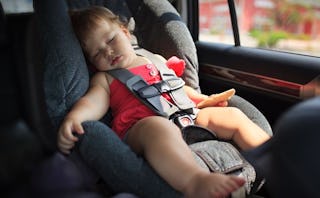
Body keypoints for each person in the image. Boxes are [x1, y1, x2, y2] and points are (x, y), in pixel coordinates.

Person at [58, 6, 270, 198]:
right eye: (97, 53)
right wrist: (75, 117)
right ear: (92, 63)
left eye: (110, 40)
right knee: (158, 127)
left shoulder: (156, 60)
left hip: (186, 116)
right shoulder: (106, 78)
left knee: (231, 115)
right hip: (141, 128)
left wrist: (204, 100)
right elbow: (92, 102)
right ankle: (194, 181)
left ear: (125, 33)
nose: (108, 51)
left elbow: (178, 88)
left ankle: (274, 158)